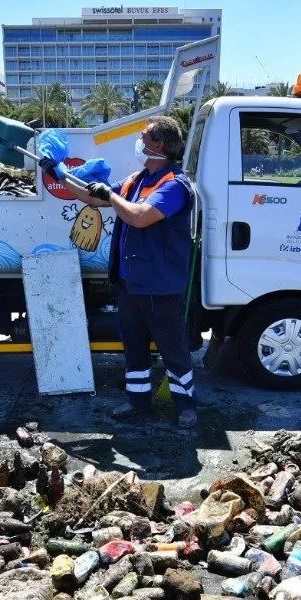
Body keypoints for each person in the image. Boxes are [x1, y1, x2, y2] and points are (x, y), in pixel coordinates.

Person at [47, 117, 198, 429]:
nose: (139, 142)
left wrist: (110, 195)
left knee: (173, 349)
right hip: (131, 282)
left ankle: (185, 406)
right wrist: (57, 173)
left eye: (143, 137)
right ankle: (138, 402)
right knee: (134, 346)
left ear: (158, 145)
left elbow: (140, 217)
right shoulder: (138, 180)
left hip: (161, 285)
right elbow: (92, 197)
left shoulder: (174, 185)